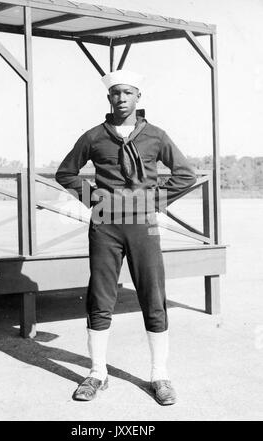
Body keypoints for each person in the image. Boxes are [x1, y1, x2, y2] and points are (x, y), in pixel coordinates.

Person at [55, 70, 196, 406]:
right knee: (100, 296)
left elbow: (185, 174)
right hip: (104, 222)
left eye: (127, 93)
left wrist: (155, 200)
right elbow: (66, 172)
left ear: (138, 98)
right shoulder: (93, 137)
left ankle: (159, 374)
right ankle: (97, 372)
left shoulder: (156, 136)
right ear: (109, 98)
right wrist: (91, 197)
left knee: (152, 293)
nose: (121, 98)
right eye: (115, 93)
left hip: (143, 223)